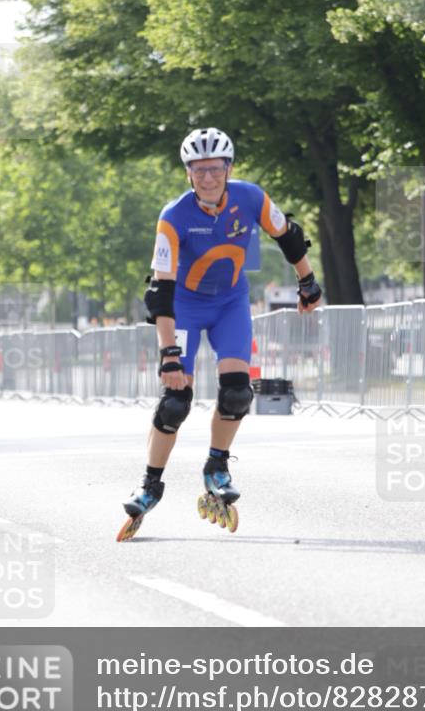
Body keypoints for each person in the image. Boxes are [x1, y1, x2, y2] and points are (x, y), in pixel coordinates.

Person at [118, 127, 322, 539]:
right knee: (175, 402)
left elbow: (288, 234)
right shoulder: (173, 216)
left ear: (229, 168)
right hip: (185, 307)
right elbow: (160, 291)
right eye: (199, 170)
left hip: (230, 304)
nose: (207, 178)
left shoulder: (251, 198)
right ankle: (150, 484)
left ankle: (217, 464)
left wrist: (308, 282)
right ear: (188, 173)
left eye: (215, 169)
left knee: (237, 393)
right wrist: (169, 354)